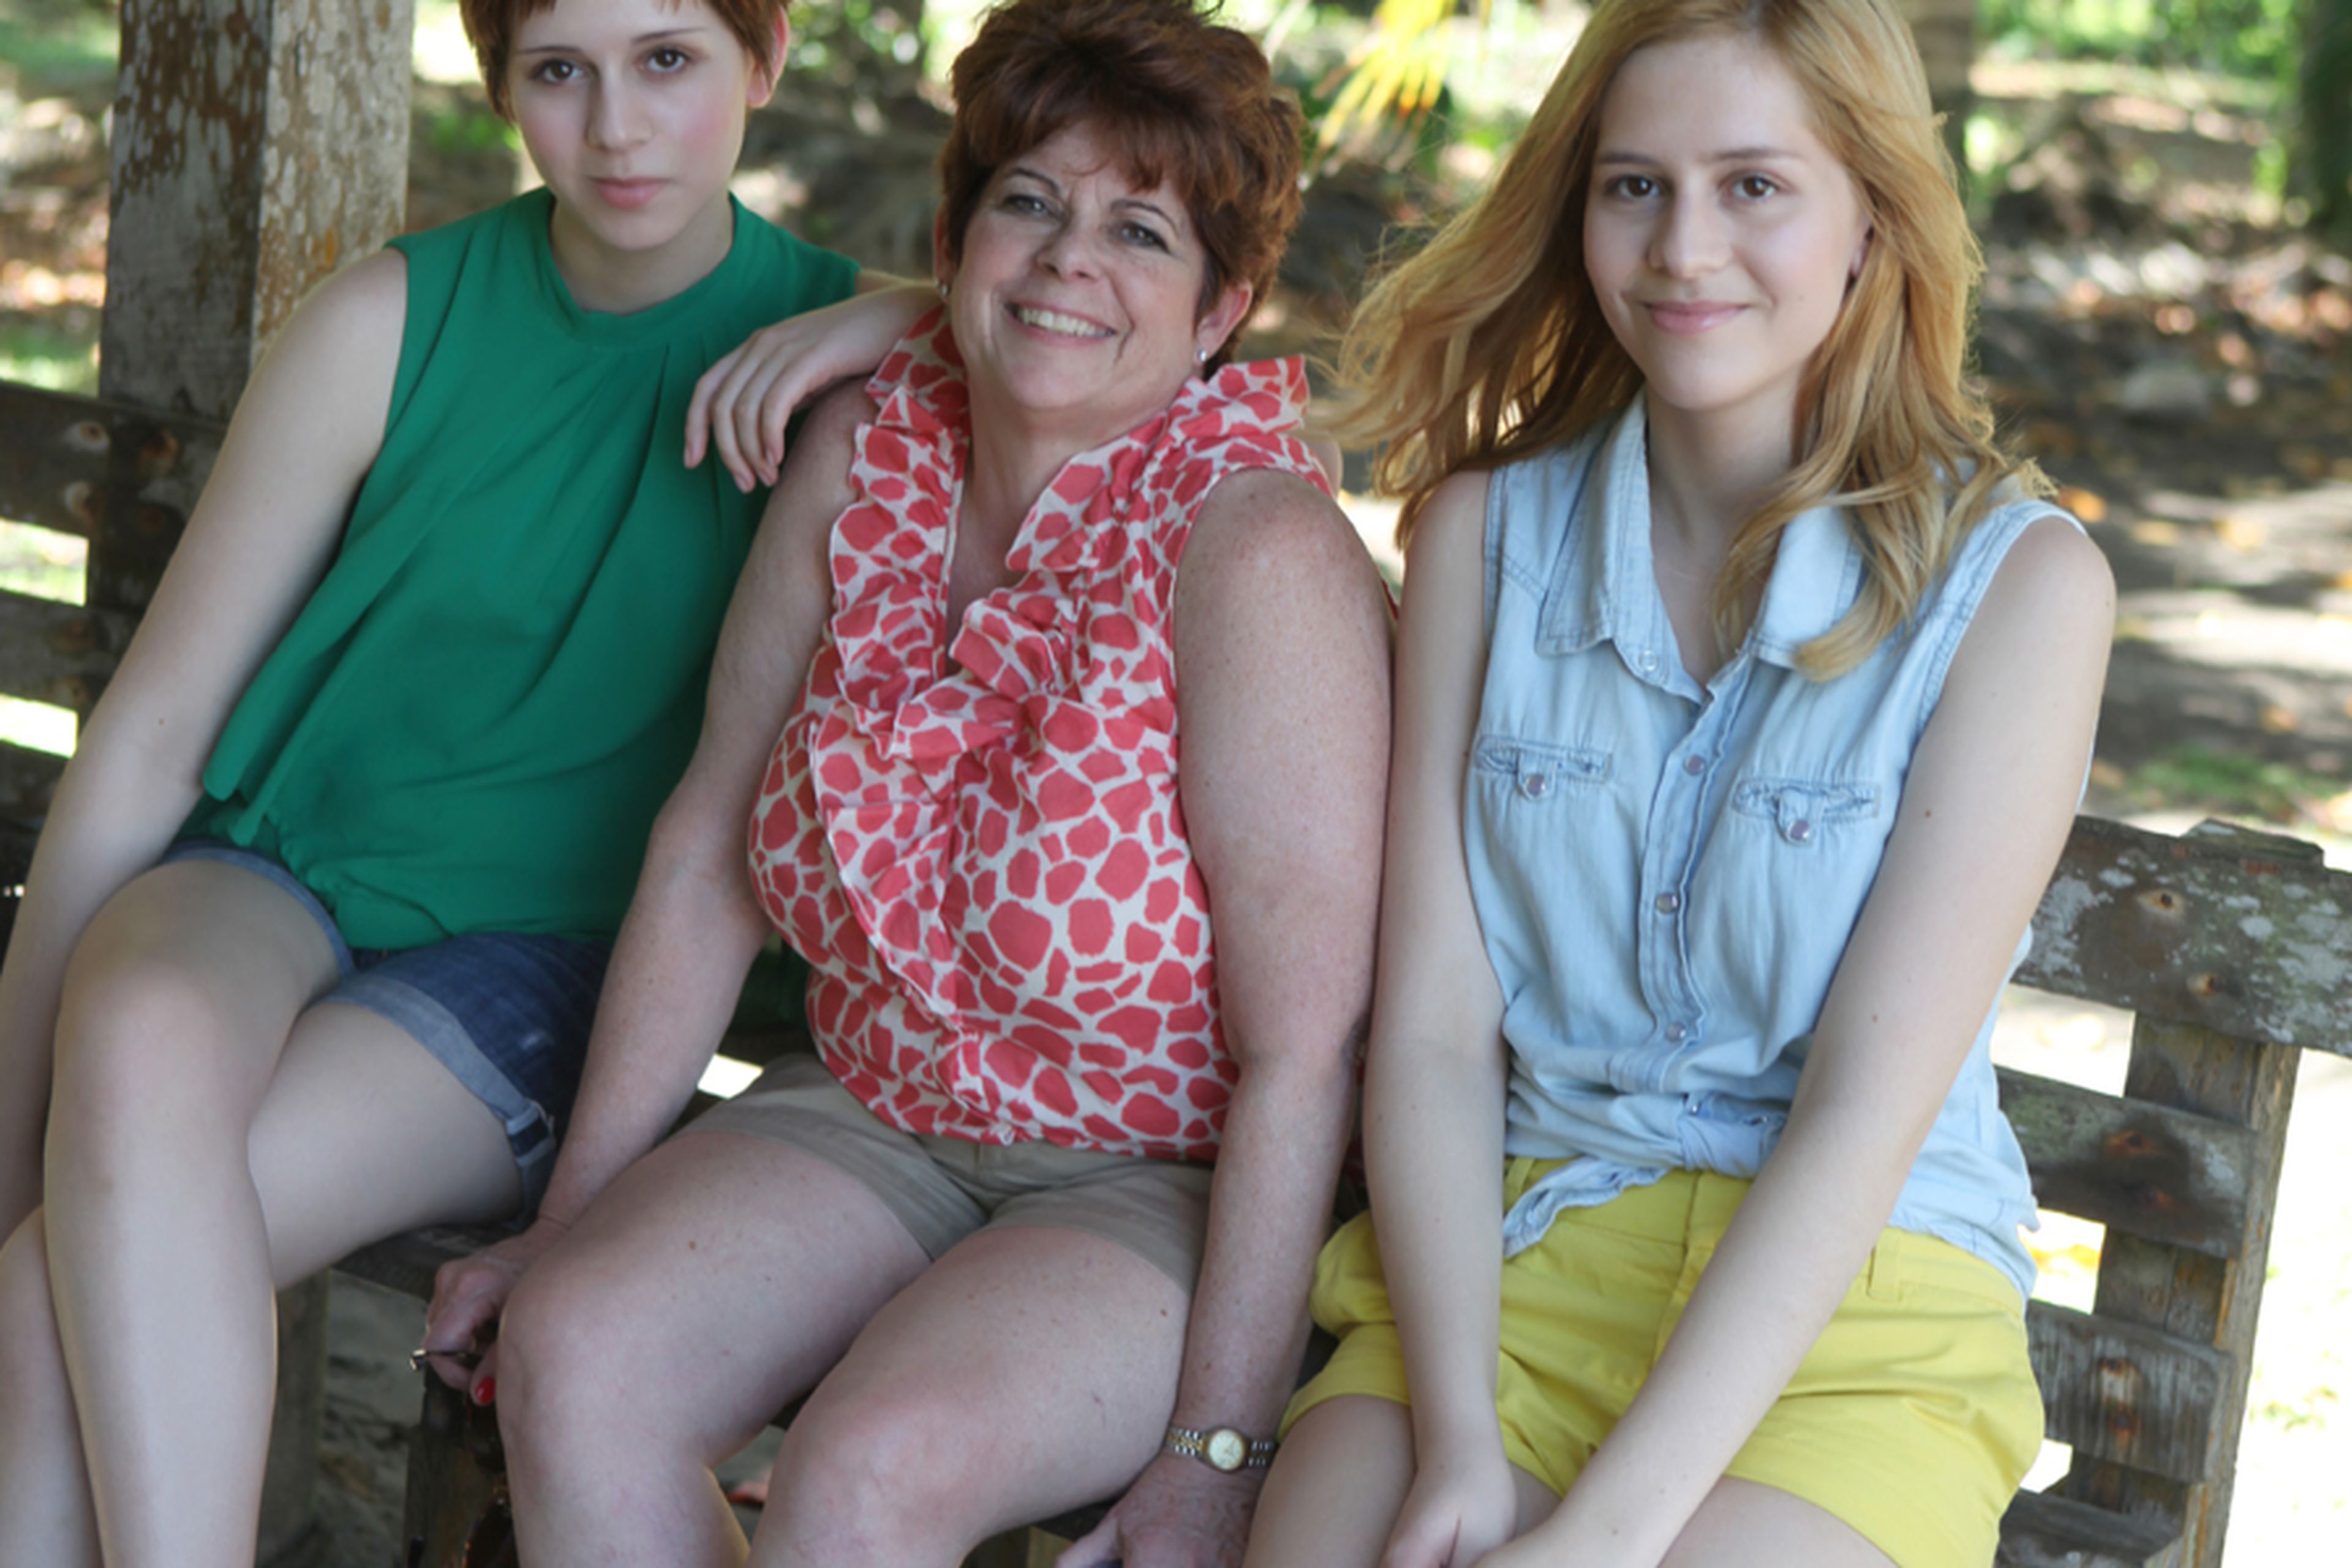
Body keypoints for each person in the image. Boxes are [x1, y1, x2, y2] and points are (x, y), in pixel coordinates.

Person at [418, 2, 1392, 1564]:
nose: (1072, 259)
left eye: (1141, 230)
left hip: (1160, 1175)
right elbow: (706, 854)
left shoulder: (1253, 553)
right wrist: (566, 1218)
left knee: (869, 1466)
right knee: (577, 1347)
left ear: (1223, 310)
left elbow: (1306, 1048)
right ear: (955, 236)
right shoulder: (866, 458)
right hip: (876, 1106)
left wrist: (1220, 1446)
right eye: (1030, 202)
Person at [0, 2, 929, 1564]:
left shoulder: (844, 364)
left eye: (670, 62)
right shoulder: (390, 316)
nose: (617, 128)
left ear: (763, 63)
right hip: (278, 868)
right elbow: (151, 743)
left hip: (541, 965)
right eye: (559, 71)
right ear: (501, 82)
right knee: (140, 1028)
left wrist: (892, 319)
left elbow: (1114, 319)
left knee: (49, 1293)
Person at [1241, 2, 2113, 1566]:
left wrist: (1602, 1536)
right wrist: (1454, 1435)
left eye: (1754, 186)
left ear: (1872, 217)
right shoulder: (1485, 537)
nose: (1681, 248)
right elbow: (1437, 1029)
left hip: (1851, 1317)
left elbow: (1861, 1113)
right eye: (1634, 185)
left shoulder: (2018, 591)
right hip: (1504, 1269)